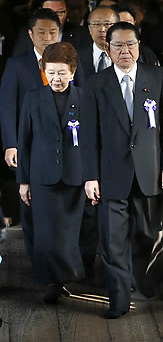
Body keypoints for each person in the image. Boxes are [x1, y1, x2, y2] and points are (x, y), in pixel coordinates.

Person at [80, 22, 163, 318]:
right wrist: (90, 176)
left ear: (139, 45)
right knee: (112, 241)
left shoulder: (158, 77)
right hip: (111, 174)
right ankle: (118, 301)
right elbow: (89, 135)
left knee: (148, 235)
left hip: (150, 172)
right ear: (108, 49)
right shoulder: (96, 84)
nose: (125, 51)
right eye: (118, 45)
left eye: (130, 44)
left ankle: (141, 277)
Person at [0, 8, 85, 263]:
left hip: (66, 147)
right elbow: (6, 106)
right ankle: (38, 259)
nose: (47, 37)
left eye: (53, 32)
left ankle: (59, 264)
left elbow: (80, 97)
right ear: (30, 34)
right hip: (31, 146)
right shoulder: (17, 64)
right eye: (41, 32)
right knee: (30, 206)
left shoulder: (70, 62)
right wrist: (11, 144)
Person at [16, 42, 86, 304]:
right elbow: (25, 142)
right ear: (44, 70)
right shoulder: (33, 98)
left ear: (73, 71)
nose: (57, 79)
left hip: (74, 175)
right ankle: (50, 282)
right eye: (51, 72)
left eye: (62, 73)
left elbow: (91, 141)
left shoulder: (84, 98)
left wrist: (92, 177)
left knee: (68, 232)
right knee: (45, 232)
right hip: (41, 176)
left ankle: (64, 277)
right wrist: (23, 181)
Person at [12, 0, 92, 56]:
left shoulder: (81, 34)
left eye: (60, 12)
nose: (55, 18)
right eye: (49, 12)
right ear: (40, 10)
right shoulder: (26, 35)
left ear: (67, 12)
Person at [78, 5, 117, 78]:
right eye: (97, 24)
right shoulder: (77, 57)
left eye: (107, 24)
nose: (102, 29)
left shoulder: (124, 56)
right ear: (89, 29)